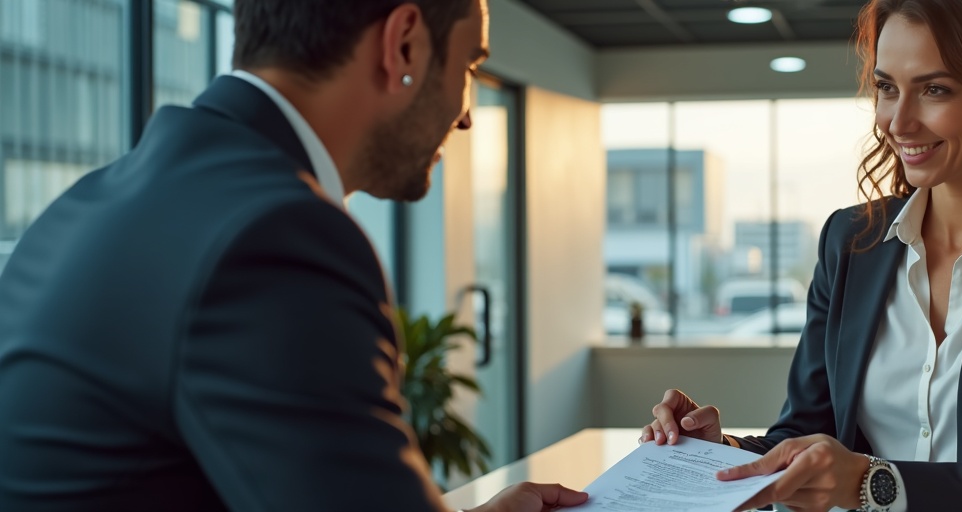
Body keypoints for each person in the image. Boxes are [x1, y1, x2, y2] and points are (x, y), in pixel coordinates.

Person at [0, 1, 585, 511]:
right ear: (403, 44)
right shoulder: (276, 235)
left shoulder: (95, 200)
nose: (465, 114)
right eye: (470, 66)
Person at [641, 0, 962, 510]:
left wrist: (872, 484)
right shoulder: (849, 241)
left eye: (935, 90)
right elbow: (805, 433)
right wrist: (715, 452)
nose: (898, 122)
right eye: (887, 88)